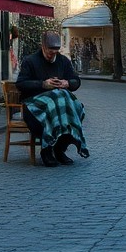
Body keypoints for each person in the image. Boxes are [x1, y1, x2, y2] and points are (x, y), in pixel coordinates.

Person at [16, 31, 85, 167]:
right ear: (43, 46)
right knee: (52, 106)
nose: (52, 55)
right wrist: (43, 84)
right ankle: (46, 150)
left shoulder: (63, 61)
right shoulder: (30, 61)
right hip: (34, 106)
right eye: (49, 52)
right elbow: (21, 84)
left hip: (59, 105)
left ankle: (60, 149)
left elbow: (76, 81)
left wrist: (68, 83)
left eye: (55, 52)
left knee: (76, 107)